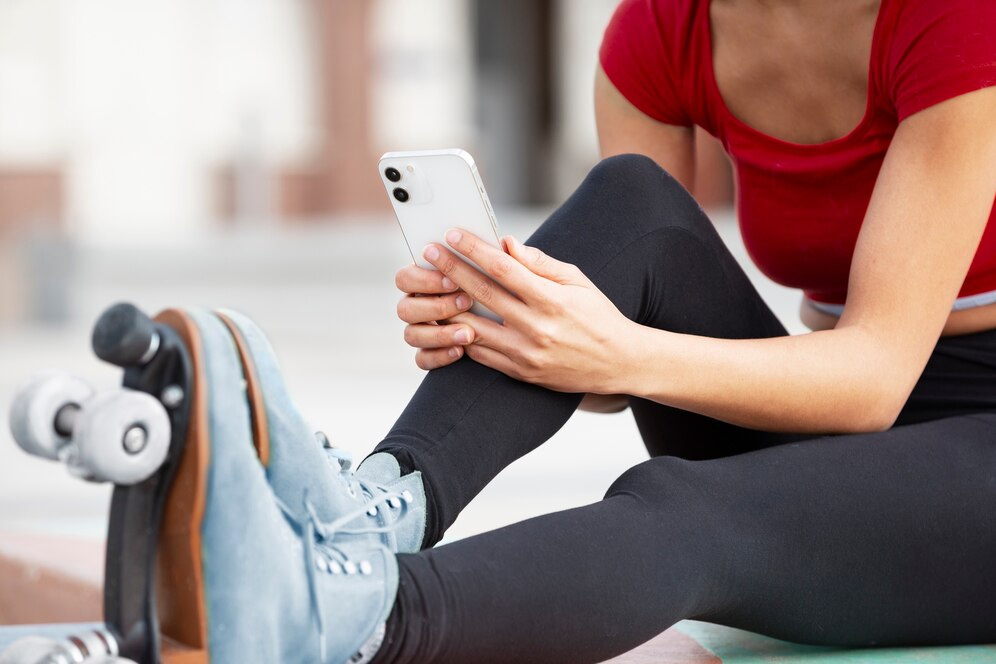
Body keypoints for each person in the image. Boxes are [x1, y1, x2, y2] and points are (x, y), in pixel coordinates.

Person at [174, 0, 996, 662]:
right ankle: (374, 512)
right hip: (826, 409)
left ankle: (342, 614)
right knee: (632, 203)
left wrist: (621, 350)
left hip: (964, 450)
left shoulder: (957, 20)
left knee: (694, 512)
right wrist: (519, 331)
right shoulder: (658, 32)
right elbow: (614, 368)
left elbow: (874, 381)